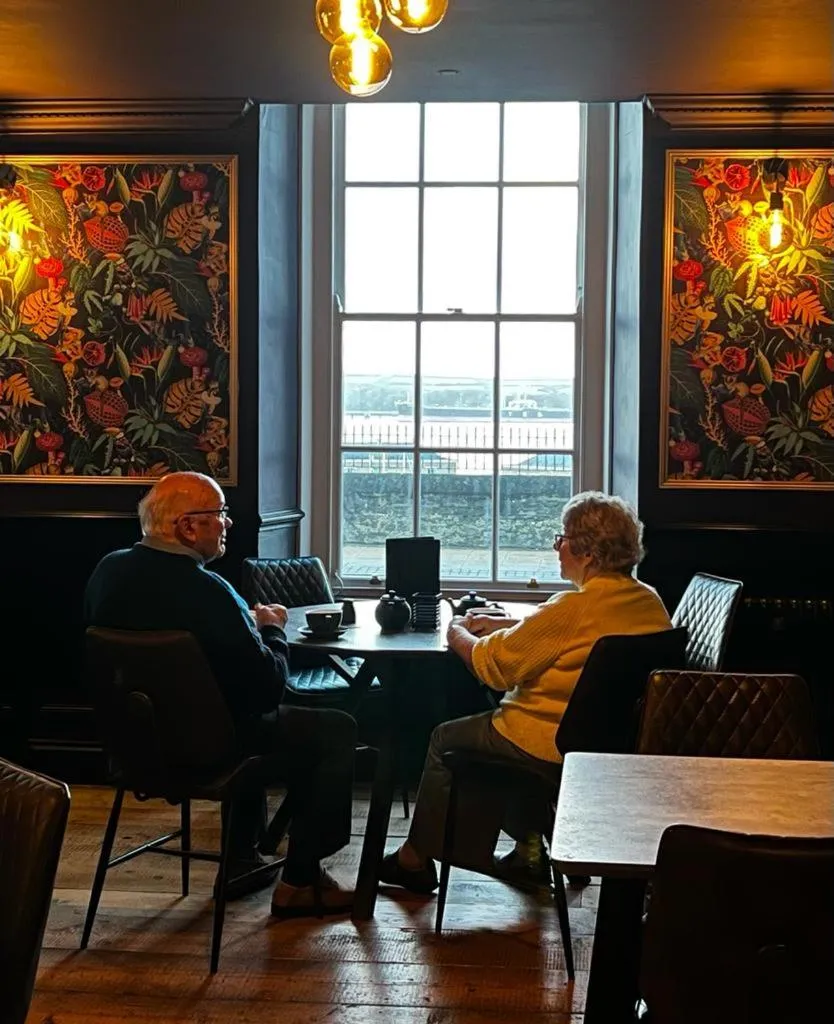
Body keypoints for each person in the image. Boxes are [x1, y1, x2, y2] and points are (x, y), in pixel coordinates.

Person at [84, 471, 357, 918]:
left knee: (236, 712)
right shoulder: (210, 591)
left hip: (134, 747)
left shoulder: (107, 572)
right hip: (210, 750)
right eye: (219, 514)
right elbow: (269, 687)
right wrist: (271, 629)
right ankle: (301, 881)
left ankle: (243, 860)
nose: (227, 523)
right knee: (332, 730)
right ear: (188, 527)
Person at [379, 491, 672, 894]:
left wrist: (456, 631)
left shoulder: (572, 607)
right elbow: (567, 636)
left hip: (545, 741)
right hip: (607, 743)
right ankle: (529, 854)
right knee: (496, 736)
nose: (558, 547)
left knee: (447, 738)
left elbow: (493, 667)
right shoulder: (647, 600)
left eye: (563, 538)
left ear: (587, 553)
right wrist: (510, 624)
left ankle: (415, 859)